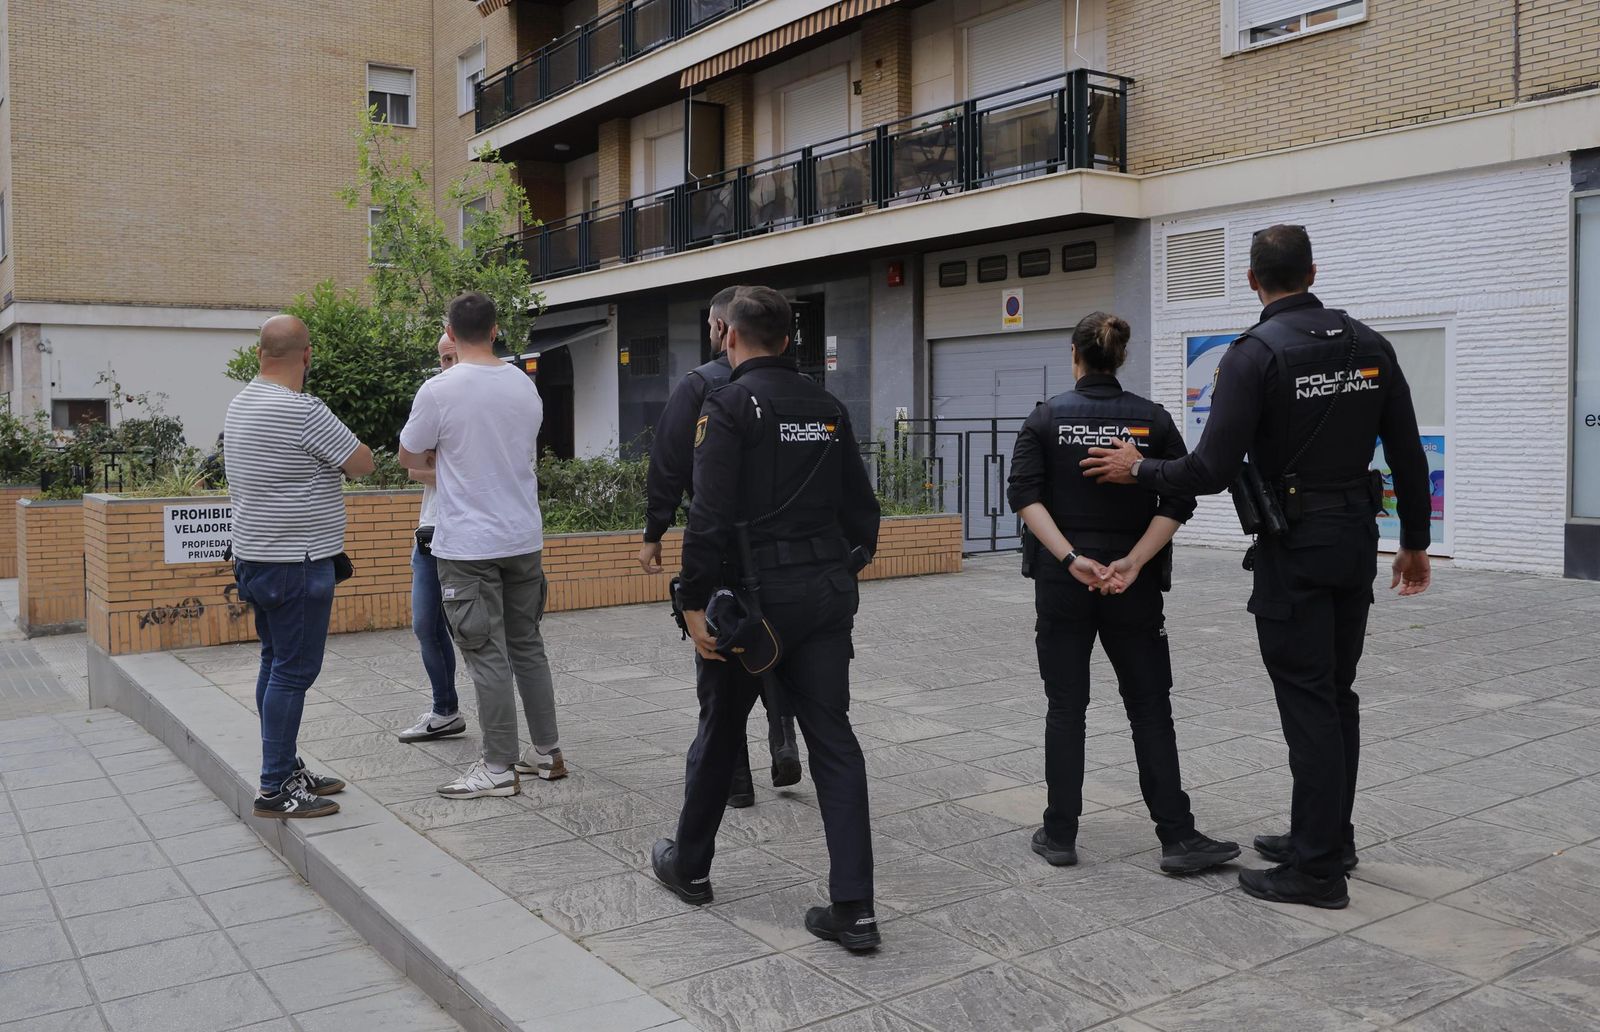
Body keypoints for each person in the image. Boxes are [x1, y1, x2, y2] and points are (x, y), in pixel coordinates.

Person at [1082, 225, 1433, 909]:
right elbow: (1407, 451)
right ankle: (1326, 837)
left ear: (1253, 280)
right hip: (1354, 540)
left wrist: (1139, 469)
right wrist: (1414, 540)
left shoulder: (1255, 353)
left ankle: (1317, 873)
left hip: (1295, 547)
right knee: (1336, 694)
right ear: (1313, 271)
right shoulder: (1370, 344)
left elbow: (1210, 469)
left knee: (1310, 700)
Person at [650, 285, 882, 952]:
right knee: (833, 741)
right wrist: (837, 571)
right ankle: (855, 910)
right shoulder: (828, 406)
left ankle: (690, 867)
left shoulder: (728, 404)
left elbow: (709, 514)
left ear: (728, 335)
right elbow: (862, 514)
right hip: (824, 595)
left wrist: (692, 601)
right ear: (788, 339)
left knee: (722, 730)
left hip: (753, 603)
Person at [1007, 312, 1240, 875]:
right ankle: (1177, 837)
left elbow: (1024, 496)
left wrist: (1071, 559)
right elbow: (1180, 495)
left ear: (1075, 354)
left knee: (1066, 707)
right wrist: (1134, 561)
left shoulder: (1045, 418)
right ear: (1121, 357)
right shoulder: (1152, 419)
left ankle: (1059, 834)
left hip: (1064, 584)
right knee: (1150, 707)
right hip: (1132, 587)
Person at [639, 285, 802, 807]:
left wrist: (654, 532)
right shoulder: (795, 386)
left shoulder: (700, 385)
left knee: (722, 654)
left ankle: (735, 781)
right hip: (786, 550)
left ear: (722, 329)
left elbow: (669, 464)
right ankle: (783, 737)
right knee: (775, 646)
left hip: (724, 548)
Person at [398, 292, 565, 799]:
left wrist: (444, 454)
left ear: (450, 331)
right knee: (527, 645)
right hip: (523, 537)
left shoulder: (439, 390)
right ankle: (548, 752)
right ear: (495, 331)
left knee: (485, 652)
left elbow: (409, 455)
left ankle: (497, 767)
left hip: (468, 544)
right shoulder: (523, 385)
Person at [225, 314, 376, 819]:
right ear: (307, 355)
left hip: (256, 559)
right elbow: (362, 462)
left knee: (274, 662)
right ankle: (274, 787)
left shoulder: (241, 403)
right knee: (294, 672)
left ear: (259, 354)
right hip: (298, 561)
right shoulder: (302, 410)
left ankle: (286, 767)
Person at [397, 335, 466, 744]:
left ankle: (504, 726)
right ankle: (445, 710)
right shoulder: (434, 399)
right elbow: (411, 465)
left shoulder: (484, 398)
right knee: (425, 624)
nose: (446, 366)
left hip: (469, 536)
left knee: (474, 631)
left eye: (452, 357)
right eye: (442, 359)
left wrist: (441, 463)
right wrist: (458, 468)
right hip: (429, 531)